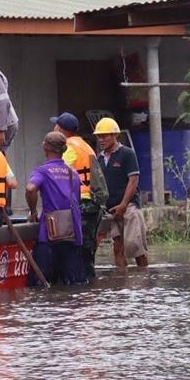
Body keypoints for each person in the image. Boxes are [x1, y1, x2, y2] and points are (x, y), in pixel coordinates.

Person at [51, 112, 109, 277]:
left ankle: (82, 288)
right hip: (92, 204)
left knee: (79, 250)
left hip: (83, 204)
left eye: (56, 125)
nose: (54, 128)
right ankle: (89, 287)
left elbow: (58, 172)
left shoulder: (69, 146)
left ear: (61, 129)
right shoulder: (85, 145)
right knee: (87, 250)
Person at [25, 132, 85, 285]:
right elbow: (76, 199)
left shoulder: (43, 171)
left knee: (39, 285)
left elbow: (31, 189)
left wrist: (33, 212)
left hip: (50, 235)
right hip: (73, 234)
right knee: (74, 285)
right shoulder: (73, 173)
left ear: (45, 147)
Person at [94, 117, 149, 269]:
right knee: (117, 247)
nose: (101, 140)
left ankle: (143, 281)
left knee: (136, 247)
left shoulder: (127, 154)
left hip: (129, 207)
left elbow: (133, 181)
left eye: (104, 136)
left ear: (114, 135)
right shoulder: (99, 159)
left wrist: (124, 205)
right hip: (111, 209)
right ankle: (121, 282)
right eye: (99, 136)